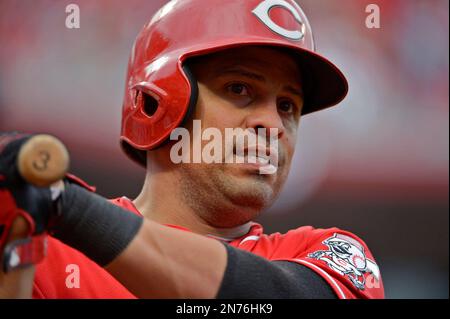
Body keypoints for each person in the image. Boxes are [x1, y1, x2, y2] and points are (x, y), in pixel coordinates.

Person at [0, 0, 384, 299]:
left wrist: (67, 207)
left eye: (288, 106)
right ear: (157, 104)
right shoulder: (50, 255)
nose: (273, 125)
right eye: (240, 89)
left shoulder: (331, 254)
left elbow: (266, 297)